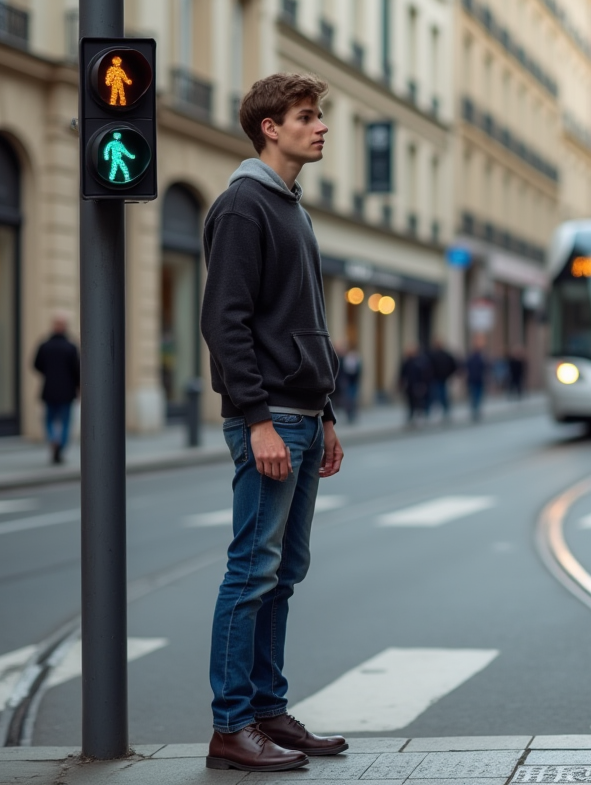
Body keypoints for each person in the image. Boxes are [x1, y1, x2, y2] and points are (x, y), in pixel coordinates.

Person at [199, 72, 346, 773]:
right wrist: (257, 420)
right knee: (251, 570)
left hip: (303, 416)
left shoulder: (293, 207)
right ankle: (231, 726)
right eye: (307, 116)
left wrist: (327, 415)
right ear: (270, 128)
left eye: (319, 116)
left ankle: (266, 711)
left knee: (283, 571)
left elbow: (303, 321)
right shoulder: (243, 206)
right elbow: (224, 324)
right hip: (270, 420)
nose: (321, 128)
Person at [33, 313, 81, 465]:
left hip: (49, 389)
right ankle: (60, 445)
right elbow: (78, 369)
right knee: (66, 421)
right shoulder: (71, 347)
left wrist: (48, 373)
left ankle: (54, 439)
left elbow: (36, 364)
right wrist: (78, 387)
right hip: (67, 391)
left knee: (49, 419)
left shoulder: (45, 345)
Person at [398, 344, 432, 426]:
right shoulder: (407, 361)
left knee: (419, 401)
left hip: (418, 384)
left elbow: (426, 373)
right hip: (409, 385)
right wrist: (400, 382)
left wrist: (424, 384)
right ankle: (411, 415)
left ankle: (420, 415)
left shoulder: (421, 361)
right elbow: (402, 373)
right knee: (410, 401)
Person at [427, 339, 458, 422]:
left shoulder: (434, 355)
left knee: (437, 395)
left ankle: (439, 411)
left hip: (439, 378)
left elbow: (453, 366)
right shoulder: (443, 355)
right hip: (439, 378)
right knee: (440, 395)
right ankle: (444, 411)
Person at [333, 343, 361, 424]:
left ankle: (351, 415)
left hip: (349, 383)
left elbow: (356, 371)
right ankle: (348, 414)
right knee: (345, 399)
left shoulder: (348, 358)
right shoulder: (339, 358)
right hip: (342, 383)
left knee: (350, 399)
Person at [465, 336, 488, 422]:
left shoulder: (472, 357)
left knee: (475, 396)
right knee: (476, 396)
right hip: (476, 379)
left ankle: (475, 410)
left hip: (475, 379)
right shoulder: (480, 357)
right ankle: (475, 410)